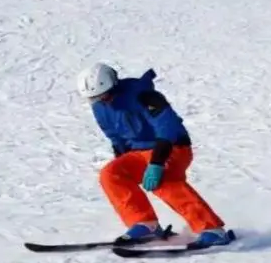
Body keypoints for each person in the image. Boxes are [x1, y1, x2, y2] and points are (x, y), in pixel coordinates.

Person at [75, 63, 233, 247]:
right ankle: (145, 224)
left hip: (172, 147)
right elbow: (115, 136)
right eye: (95, 98)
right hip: (139, 153)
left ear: (113, 85)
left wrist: (157, 163)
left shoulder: (145, 96)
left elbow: (169, 128)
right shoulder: (100, 107)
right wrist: (124, 163)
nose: (103, 100)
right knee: (110, 174)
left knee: (162, 180)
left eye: (105, 95)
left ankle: (212, 229)